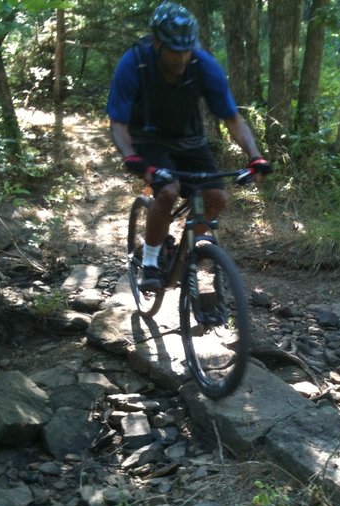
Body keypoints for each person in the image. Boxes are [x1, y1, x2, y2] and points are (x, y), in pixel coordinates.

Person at [106, 1, 271, 292]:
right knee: (168, 190)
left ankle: (186, 256)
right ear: (157, 42)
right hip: (147, 138)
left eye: (186, 49)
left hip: (190, 140)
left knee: (217, 198)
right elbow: (118, 124)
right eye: (174, 50)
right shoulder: (135, 63)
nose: (182, 57)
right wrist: (133, 157)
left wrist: (255, 156)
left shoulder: (204, 65)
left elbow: (232, 118)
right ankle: (151, 261)